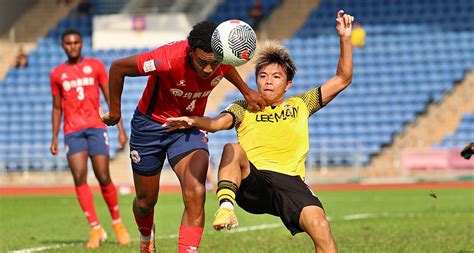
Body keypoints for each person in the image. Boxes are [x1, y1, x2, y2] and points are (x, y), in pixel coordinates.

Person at [164, 10, 355, 252]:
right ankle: (225, 207)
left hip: (291, 182)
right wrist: (194, 121)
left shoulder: (301, 104)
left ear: (288, 84)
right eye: (263, 75)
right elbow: (218, 123)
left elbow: (343, 78)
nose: (268, 81)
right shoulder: (244, 107)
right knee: (233, 148)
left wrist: (344, 38)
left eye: (276, 76)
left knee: (321, 228)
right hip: (253, 181)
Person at [100, 21, 265, 253]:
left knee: (196, 191)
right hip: (150, 126)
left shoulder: (221, 57)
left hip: (189, 127)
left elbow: (225, 67)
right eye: (202, 62)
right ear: (190, 51)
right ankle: (146, 238)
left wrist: (246, 91)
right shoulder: (166, 59)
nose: (208, 70)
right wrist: (115, 112)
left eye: (214, 63)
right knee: (146, 202)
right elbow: (118, 68)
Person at [49, 29, 130, 248]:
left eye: (76, 42)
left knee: (103, 176)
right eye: (68, 43)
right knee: (79, 176)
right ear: (63, 45)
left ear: (81, 43)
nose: (72, 46)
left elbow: (110, 98)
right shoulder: (57, 74)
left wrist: (121, 129)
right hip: (72, 131)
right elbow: (57, 108)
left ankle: (117, 223)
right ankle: (95, 228)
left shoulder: (96, 67)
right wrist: (55, 137)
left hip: (96, 127)